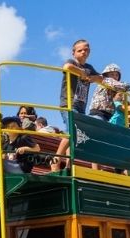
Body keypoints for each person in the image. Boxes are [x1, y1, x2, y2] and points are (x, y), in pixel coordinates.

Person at [52, 39, 102, 172]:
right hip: (68, 103)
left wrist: (92, 78)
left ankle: (69, 165)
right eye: (80, 50)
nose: (83, 52)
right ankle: (55, 161)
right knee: (71, 132)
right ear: (74, 53)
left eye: (86, 50)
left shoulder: (89, 68)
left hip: (81, 106)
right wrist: (81, 73)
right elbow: (66, 67)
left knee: (77, 135)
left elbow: (101, 78)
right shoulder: (72, 62)